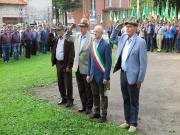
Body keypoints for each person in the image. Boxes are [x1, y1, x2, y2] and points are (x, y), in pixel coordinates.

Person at [110, 17, 147, 132]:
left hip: (134, 76)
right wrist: (117, 28)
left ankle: (133, 123)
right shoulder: (123, 38)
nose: (128, 28)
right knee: (125, 98)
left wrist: (140, 79)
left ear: (136, 28)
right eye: (127, 26)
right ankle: (127, 121)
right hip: (123, 73)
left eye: (130, 26)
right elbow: (112, 39)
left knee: (133, 100)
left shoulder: (141, 42)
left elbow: (143, 63)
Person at [66, 17, 93, 114]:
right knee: (81, 88)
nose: (81, 28)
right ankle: (84, 105)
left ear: (87, 27)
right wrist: (70, 28)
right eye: (80, 27)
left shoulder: (91, 38)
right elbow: (67, 37)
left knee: (88, 89)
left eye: (83, 27)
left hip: (86, 67)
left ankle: (89, 107)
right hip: (77, 67)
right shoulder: (77, 36)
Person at [87, 25, 112, 123]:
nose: (95, 33)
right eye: (94, 31)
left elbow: (108, 64)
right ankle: (96, 111)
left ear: (102, 33)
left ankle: (103, 114)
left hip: (102, 77)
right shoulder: (92, 44)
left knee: (103, 96)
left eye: (97, 31)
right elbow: (90, 61)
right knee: (95, 95)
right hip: (93, 75)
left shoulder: (106, 45)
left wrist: (106, 77)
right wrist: (88, 74)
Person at [51, 24, 75, 107]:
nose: (59, 32)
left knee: (68, 83)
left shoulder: (68, 40)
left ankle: (70, 100)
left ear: (63, 30)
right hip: (58, 63)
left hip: (66, 64)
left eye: (60, 30)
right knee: (60, 82)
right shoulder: (56, 39)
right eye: (57, 30)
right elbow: (48, 43)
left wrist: (69, 66)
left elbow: (72, 54)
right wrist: (50, 31)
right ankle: (63, 98)